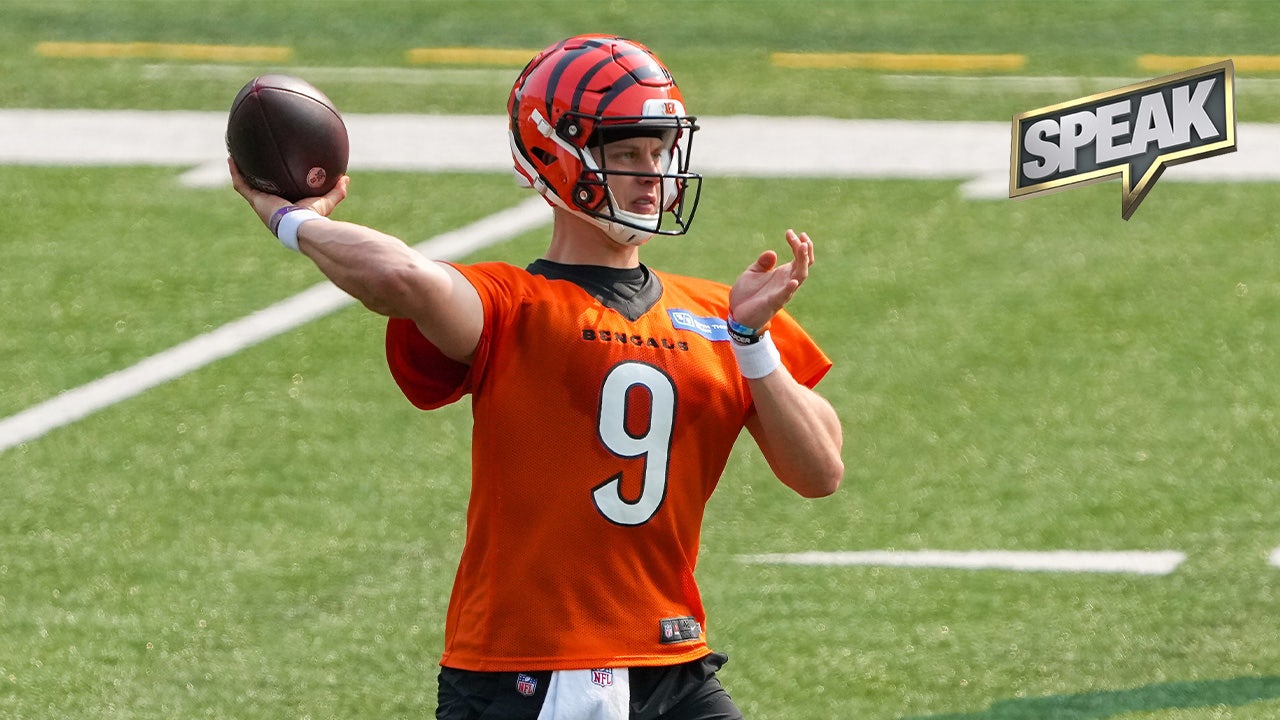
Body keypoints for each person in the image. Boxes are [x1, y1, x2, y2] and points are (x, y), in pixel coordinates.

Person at [230, 33, 843, 720]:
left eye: (659, 152)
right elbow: (398, 275)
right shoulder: (508, 303)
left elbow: (819, 472)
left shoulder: (719, 313)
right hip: (522, 671)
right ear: (557, 155)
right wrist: (290, 219)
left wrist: (750, 341)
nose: (652, 174)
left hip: (672, 666)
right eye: (626, 153)